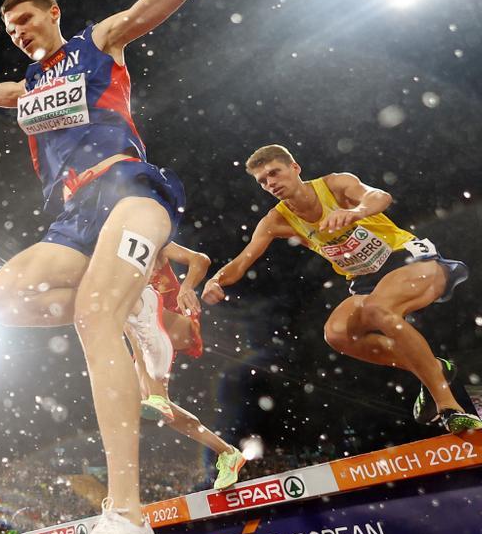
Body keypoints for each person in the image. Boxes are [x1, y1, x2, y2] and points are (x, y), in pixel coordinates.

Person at [0, 0, 197, 534]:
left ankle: (127, 516)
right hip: (75, 217)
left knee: (92, 318)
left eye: (26, 20)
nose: (19, 32)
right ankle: (134, 307)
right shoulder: (28, 87)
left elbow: (152, 6)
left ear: (53, 11)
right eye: (9, 30)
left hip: (129, 192)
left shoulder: (98, 42)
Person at [202, 144, 479, 433]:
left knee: (378, 309)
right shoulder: (277, 220)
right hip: (365, 280)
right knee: (337, 334)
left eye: (275, 173)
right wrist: (216, 280)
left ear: (295, 168)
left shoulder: (335, 185)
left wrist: (356, 212)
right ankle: (433, 367)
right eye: (262, 180)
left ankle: (448, 406)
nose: (270, 183)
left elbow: (379, 196)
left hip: (406, 258)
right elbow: (243, 260)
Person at [128, 242, 246, 490]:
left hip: (177, 318)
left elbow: (200, 259)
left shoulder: (146, 238)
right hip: (146, 336)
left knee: (131, 307)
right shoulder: (108, 264)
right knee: (153, 403)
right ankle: (227, 453)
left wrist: (186, 287)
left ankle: (158, 395)